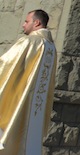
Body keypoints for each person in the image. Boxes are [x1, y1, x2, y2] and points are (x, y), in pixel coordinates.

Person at [0, 9, 57, 155]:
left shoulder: (29, 41)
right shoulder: (51, 47)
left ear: (36, 23)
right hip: (35, 106)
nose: (23, 25)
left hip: (19, 100)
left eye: (26, 21)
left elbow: (6, 65)